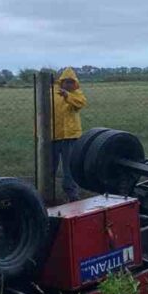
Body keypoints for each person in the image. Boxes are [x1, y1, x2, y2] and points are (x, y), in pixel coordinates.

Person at [52, 67, 87, 202]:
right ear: (61, 82)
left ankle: (71, 193)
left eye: (71, 82)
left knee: (69, 167)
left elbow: (81, 103)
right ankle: (47, 192)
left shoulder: (77, 94)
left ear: (75, 83)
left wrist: (68, 96)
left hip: (70, 136)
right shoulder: (52, 93)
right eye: (66, 82)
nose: (68, 84)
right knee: (50, 166)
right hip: (53, 135)